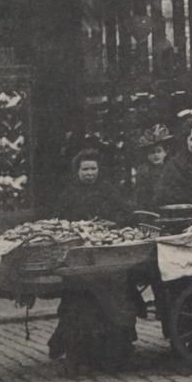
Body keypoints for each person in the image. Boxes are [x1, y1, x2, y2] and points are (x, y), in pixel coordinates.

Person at [50, 151, 137, 367]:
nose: (89, 174)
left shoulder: (108, 190)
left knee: (113, 295)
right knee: (80, 301)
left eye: (93, 169)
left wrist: (111, 224)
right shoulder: (68, 195)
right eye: (85, 170)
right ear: (77, 171)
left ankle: (114, 350)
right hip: (79, 257)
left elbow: (127, 214)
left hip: (105, 254)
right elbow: (58, 223)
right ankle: (80, 351)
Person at [130, 126, 171, 212]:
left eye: (159, 151)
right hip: (150, 210)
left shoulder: (171, 168)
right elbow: (141, 198)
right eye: (152, 152)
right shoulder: (143, 172)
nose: (156, 155)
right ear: (147, 155)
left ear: (166, 152)